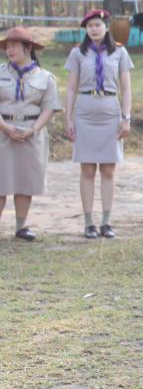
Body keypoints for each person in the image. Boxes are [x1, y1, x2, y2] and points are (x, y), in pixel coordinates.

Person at [64, 9, 133, 238]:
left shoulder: (119, 51)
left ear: (106, 27)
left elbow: (126, 88)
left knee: (108, 169)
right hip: (85, 111)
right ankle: (88, 223)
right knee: (87, 169)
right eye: (90, 26)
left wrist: (126, 118)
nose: (94, 29)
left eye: (98, 25)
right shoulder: (78, 52)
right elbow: (71, 88)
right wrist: (68, 118)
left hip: (109, 110)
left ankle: (106, 222)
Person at [0, 27, 61, 240]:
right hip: (3, 131)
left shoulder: (45, 77)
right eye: (7, 46)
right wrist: (5, 127)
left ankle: (21, 226)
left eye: (14, 46)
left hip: (31, 133)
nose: (9, 50)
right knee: (1, 182)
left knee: (25, 182)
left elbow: (49, 108)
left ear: (28, 48)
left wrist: (34, 130)